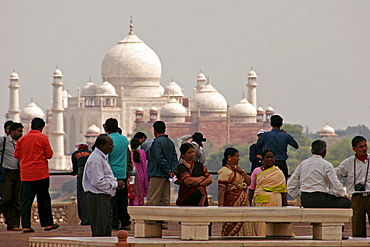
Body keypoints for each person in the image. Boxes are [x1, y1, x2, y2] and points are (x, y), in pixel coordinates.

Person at [14, 117, 59, 233]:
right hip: (41, 173)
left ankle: (26, 226)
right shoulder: (43, 138)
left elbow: (16, 155)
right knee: (43, 199)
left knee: (26, 201)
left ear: (31, 126)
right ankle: (47, 224)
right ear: (42, 127)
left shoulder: (22, 140)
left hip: (26, 175)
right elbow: (49, 155)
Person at [82, 134, 125, 236]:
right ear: (102, 146)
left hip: (103, 197)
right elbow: (97, 182)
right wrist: (115, 184)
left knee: (105, 229)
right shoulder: (96, 159)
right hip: (98, 198)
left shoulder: (102, 157)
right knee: (100, 230)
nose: (112, 146)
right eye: (110, 144)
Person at [287, 140, 351, 208]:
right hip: (320, 198)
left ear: (312, 151)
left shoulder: (302, 164)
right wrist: (344, 195)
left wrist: (300, 198)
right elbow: (336, 185)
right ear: (324, 152)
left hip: (305, 198)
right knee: (346, 203)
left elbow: (290, 186)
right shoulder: (326, 165)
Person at [336, 136, 370, 237]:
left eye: (365, 146)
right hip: (356, 197)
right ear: (354, 149)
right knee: (357, 227)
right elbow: (335, 173)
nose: (364, 149)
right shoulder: (349, 162)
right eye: (361, 147)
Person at [248, 149, 287, 236]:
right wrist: (248, 205)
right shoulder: (257, 171)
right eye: (267, 157)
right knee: (261, 226)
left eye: (271, 157)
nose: (269, 159)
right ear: (263, 159)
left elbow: (283, 192)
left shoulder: (278, 172)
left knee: (274, 227)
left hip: (276, 202)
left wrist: (285, 208)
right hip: (260, 202)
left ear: (274, 159)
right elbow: (251, 188)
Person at [147, 121, 178, 229]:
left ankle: (150, 221)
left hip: (157, 174)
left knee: (153, 198)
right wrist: (172, 171)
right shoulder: (170, 142)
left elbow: (159, 158)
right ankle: (163, 221)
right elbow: (174, 158)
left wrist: (168, 170)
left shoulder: (157, 142)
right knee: (165, 199)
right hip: (167, 175)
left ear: (154, 130)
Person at [218, 147, 254, 236]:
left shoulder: (238, 170)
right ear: (229, 157)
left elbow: (249, 182)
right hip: (232, 203)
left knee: (245, 225)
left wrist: (241, 171)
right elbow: (221, 190)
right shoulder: (224, 171)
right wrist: (221, 206)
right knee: (231, 226)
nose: (239, 158)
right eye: (237, 156)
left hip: (244, 205)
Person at [103, 118, 131, 231]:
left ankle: (114, 222)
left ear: (107, 128)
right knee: (123, 199)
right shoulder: (124, 140)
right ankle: (125, 221)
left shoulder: (108, 140)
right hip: (122, 174)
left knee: (112, 200)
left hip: (110, 174)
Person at [0, 122, 23, 231]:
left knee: (16, 200)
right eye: (19, 131)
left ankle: (13, 224)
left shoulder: (20, 143)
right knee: (6, 198)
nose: (21, 133)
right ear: (12, 131)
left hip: (18, 173)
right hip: (6, 174)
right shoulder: (3, 141)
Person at [71, 142, 92, 225]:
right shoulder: (91, 153)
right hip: (90, 174)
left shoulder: (75, 154)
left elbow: (75, 167)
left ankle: (84, 219)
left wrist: (75, 172)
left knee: (81, 196)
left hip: (81, 172)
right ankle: (91, 217)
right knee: (91, 194)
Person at [129, 138, 149, 206]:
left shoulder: (129, 153)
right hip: (141, 175)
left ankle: (133, 203)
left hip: (132, 175)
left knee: (132, 190)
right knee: (139, 191)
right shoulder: (142, 153)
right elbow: (144, 165)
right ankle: (139, 203)